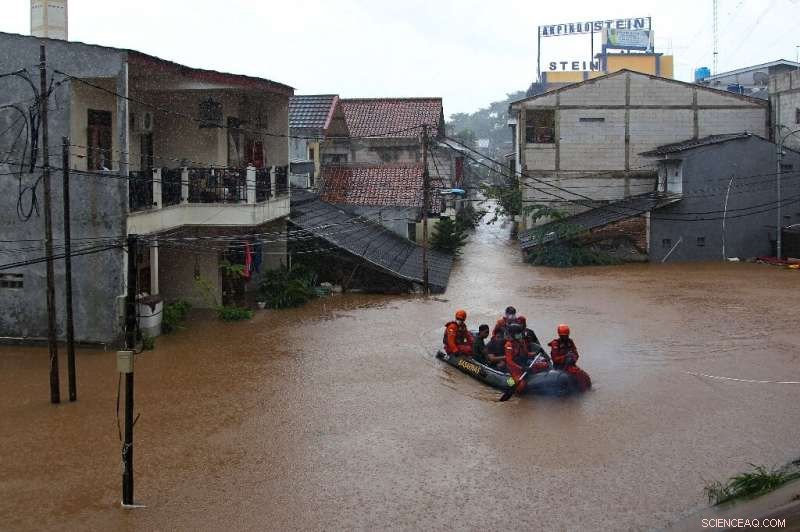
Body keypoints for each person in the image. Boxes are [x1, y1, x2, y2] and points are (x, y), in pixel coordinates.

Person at [504, 322, 549, 391]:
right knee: (521, 386)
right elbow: (509, 361)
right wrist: (521, 368)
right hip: (514, 369)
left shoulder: (521, 342)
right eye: (518, 334)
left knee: (545, 365)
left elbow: (526, 354)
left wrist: (536, 353)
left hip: (524, 364)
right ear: (513, 335)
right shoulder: (508, 345)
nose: (520, 335)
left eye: (520, 333)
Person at [548, 324, 592, 392]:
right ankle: (581, 390)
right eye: (564, 336)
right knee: (577, 374)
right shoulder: (555, 343)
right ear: (560, 335)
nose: (565, 337)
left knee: (585, 376)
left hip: (570, 365)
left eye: (566, 335)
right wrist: (565, 357)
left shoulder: (570, 342)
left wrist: (573, 357)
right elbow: (555, 359)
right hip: (560, 366)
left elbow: (576, 354)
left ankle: (587, 389)